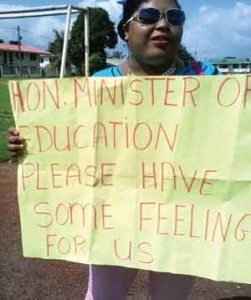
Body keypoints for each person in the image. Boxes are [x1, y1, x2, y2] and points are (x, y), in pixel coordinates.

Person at [7, 0, 220, 299]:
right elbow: (67, 152)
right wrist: (29, 145)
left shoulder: (209, 82)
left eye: (174, 17)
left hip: (183, 224)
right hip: (115, 224)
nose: (162, 25)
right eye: (148, 16)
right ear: (125, 31)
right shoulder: (98, 87)